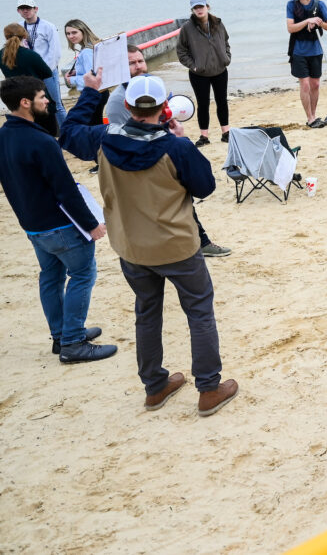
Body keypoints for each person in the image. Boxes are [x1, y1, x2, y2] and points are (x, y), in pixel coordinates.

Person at [61, 71, 238, 417]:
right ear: (164, 107)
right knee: (199, 312)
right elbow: (205, 186)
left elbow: (67, 133)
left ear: (127, 106)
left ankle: (155, 386)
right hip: (176, 244)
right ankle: (208, 388)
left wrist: (91, 92)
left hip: (131, 245)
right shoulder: (175, 146)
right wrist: (182, 142)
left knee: (147, 312)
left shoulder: (103, 138)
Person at [0, 76, 115, 363]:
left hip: (33, 225)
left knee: (51, 278)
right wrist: (91, 224)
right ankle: (73, 342)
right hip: (60, 225)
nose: (48, 101)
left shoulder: (4, 135)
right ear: (25, 103)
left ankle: (61, 336)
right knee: (82, 275)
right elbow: (65, 189)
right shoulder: (42, 141)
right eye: (42, 97)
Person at [104, 45, 230, 258]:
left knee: (182, 201)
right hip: (145, 162)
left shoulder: (151, 85)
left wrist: (168, 130)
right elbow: (122, 139)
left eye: (140, 61)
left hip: (161, 152)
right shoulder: (117, 101)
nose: (138, 66)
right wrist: (175, 142)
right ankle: (195, 244)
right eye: (131, 63)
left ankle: (202, 242)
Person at [176, 0, 233, 146]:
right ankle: (204, 137)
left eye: (201, 6)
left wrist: (226, 58)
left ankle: (226, 133)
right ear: (192, 10)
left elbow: (226, 41)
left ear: (207, 7)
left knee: (222, 102)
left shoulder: (218, 23)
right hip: (199, 74)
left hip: (220, 70)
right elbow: (181, 51)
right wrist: (194, 66)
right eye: (196, 8)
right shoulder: (187, 28)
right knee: (203, 104)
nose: (199, 10)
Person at [284, 0, 327, 128]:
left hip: (316, 50)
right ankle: (310, 118)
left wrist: (319, 22)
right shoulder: (291, 5)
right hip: (298, 51)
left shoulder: (319, 5)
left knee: (315, 84)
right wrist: (308, 21)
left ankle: (314, 114)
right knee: (305, 85)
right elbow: (290, 28)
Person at [16, 0, 65, 126]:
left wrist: (45, 71)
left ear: (35, 9)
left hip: (47, 72)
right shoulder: (19, 27)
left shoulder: (48, 26)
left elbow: (55, 52)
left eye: (28, 8)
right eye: (22, 8)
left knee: (56, 104)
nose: (25, 11)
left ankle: (68, 131)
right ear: (18, 11)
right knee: (35, 105)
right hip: (30, 74)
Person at [62, 18, 100, 93]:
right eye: (68, 33)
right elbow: (95, 70)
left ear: (83, 32)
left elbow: (92, 79)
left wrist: (71, 80)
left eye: (74, 32)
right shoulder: (92, 46)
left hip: (92, 93)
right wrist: (77, 72)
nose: (70, 36)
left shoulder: (86, 52)